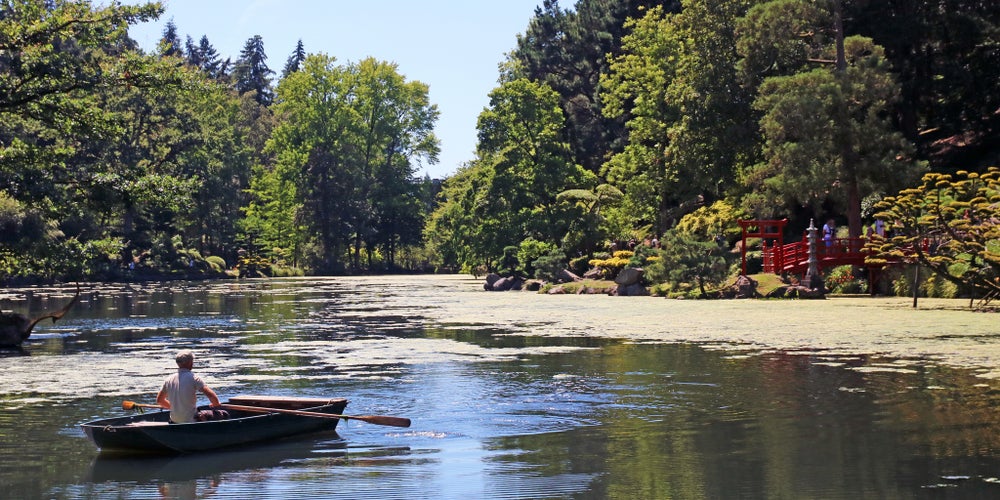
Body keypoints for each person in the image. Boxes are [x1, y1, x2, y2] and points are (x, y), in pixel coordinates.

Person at [157, 350, 221, 423]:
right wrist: (216, 404)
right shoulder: (194, 378)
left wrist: (174, 407)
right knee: (223, 414)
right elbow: (212, 396)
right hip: (192, 420)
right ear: (190, 362)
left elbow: (160, 400)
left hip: (174, 420)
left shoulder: (168, 380)